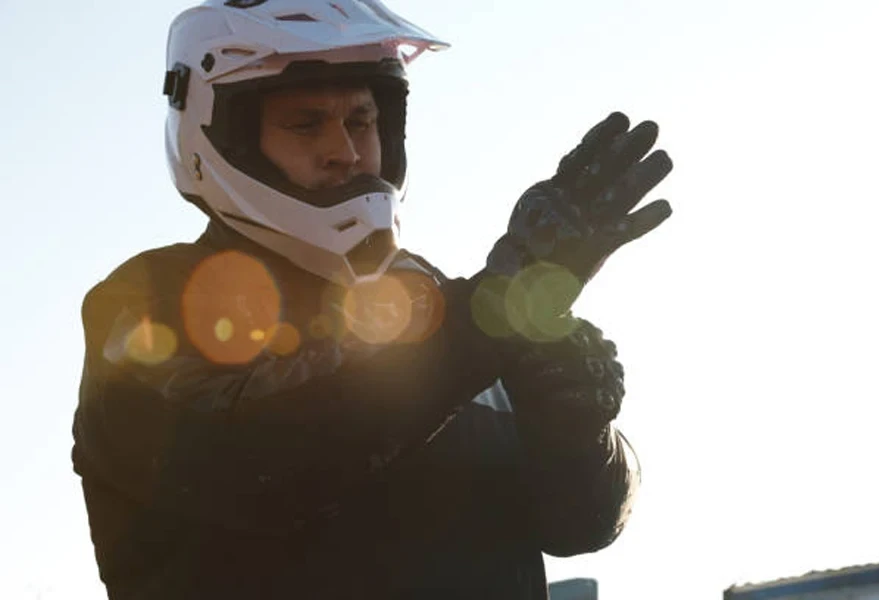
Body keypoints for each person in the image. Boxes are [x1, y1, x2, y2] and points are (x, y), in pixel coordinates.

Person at [71, 0, 673, 598]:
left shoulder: (442, 301)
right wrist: (493, 312)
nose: (347, 151)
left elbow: (579, 525)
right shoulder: (150, 300)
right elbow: (246, 459)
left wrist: (576, 423)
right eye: (306, 124)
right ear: (221, 134)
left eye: (360, 121)